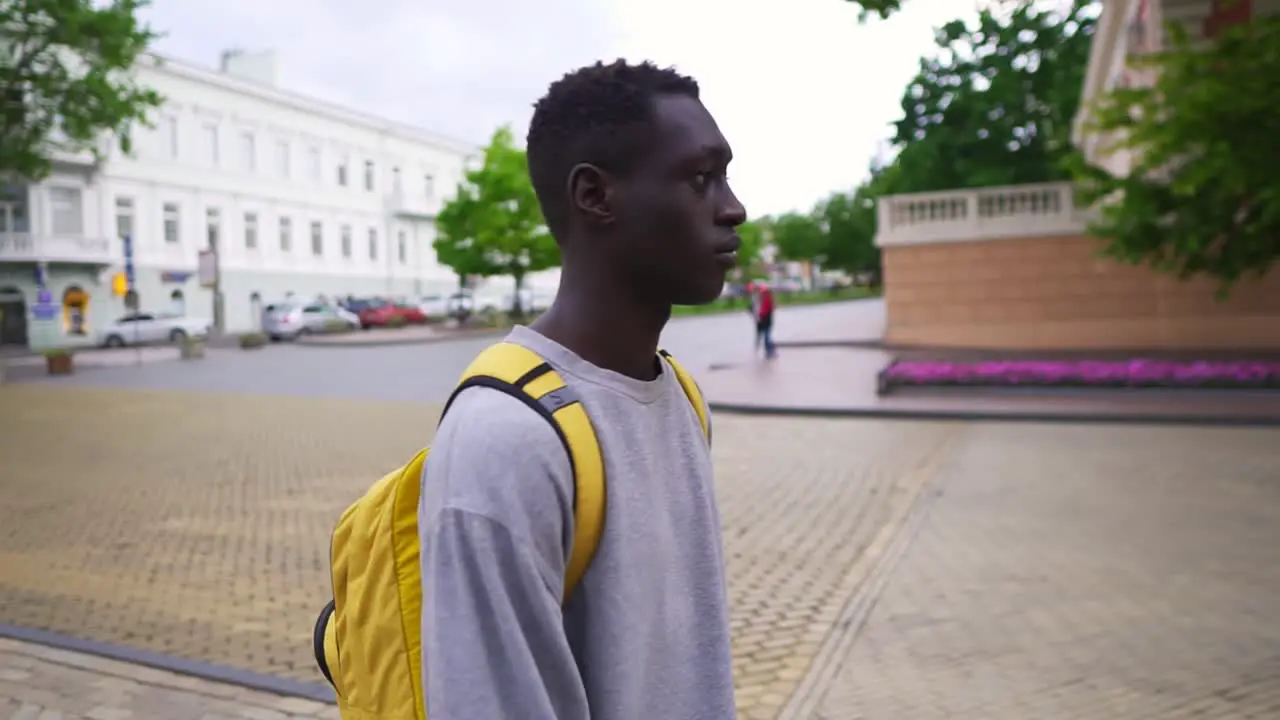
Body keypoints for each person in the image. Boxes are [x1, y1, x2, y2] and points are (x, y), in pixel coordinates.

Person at [418, 60, 745, 719]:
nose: (733, 207)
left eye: (726, 177)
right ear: (596, 196)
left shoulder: (676, 392)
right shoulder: (507, 441)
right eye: (700, 178)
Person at [754, 282, 777, 358]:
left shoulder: (763, 298)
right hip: (766, 318)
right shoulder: (766, 298)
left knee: (766, 335)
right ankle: (769, 350)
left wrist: (759, 317)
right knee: (767, 335)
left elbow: (762, 310)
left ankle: (769, 350)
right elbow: (772, 308)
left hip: (764, 318)